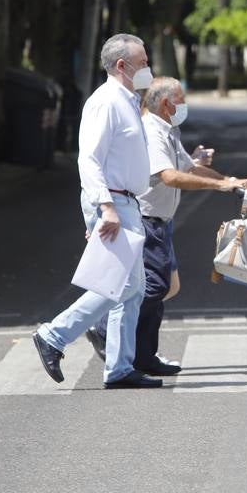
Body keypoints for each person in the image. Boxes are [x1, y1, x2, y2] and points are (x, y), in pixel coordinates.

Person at [84, 77, 247, 375]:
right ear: (166, 104)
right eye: (181, 99)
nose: (184, 105)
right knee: (153, 286)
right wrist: (218, 186)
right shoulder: (151, 131)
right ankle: (106, 329)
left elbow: (188, 167)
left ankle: (144, 354)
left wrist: (227, 181)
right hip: (147, 220)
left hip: (161, 222)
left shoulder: (168, 130)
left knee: (167, 287)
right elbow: (170, 177)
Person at [32, 34, 160, 389]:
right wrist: (105, 208)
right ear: (122, 65)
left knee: (131, 288)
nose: (148, 69)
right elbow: (88, 159)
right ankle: (54, 335)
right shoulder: (105, 102)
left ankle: (119, 368)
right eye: (144, 62)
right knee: (118, 284)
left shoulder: (127, 100)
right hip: (114, 202)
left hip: (124, 201)